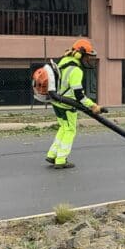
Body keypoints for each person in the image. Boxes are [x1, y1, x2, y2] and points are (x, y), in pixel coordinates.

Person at [46, 39, 104, 169]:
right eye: (88, 56)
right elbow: (79, 95)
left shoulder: (64, 61)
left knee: (63, 128)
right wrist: (93, 106)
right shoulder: (76, 70)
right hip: (68, 105)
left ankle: (52, 154)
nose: (89, 59)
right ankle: (61, 160)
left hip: (57, 102)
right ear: (80, 55)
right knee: (70, 131)